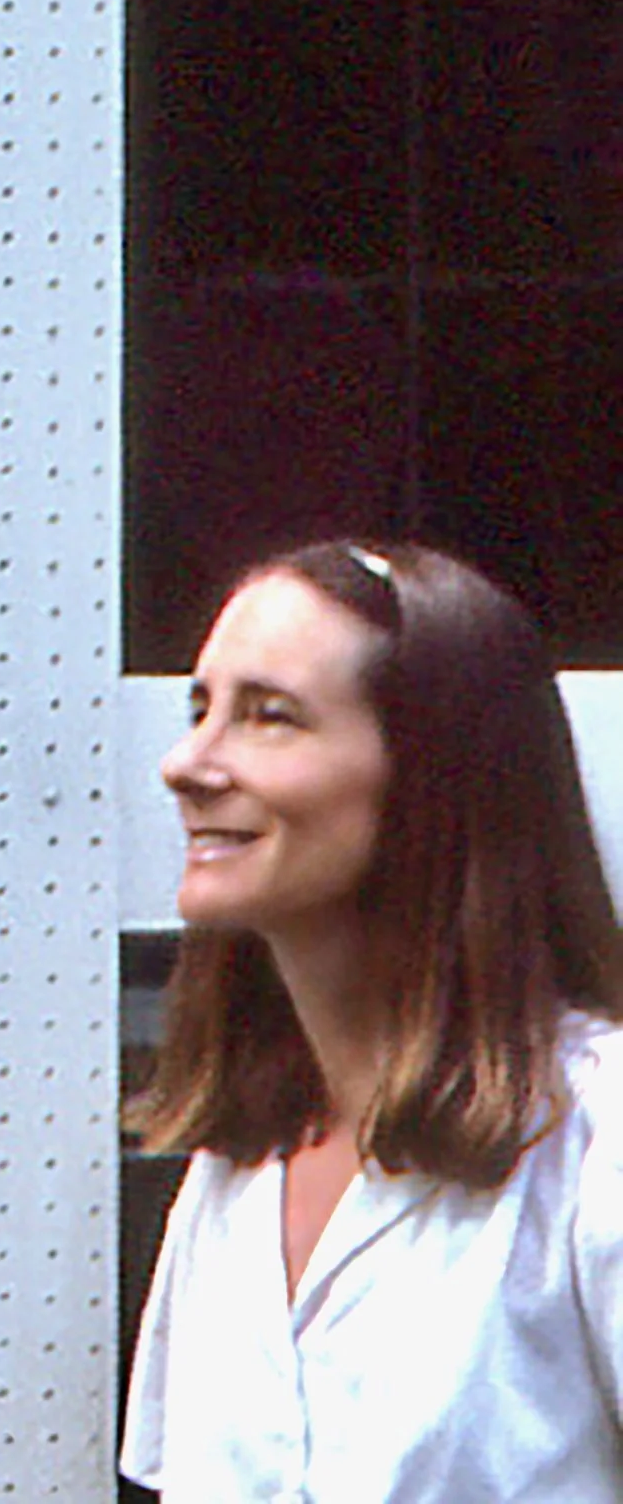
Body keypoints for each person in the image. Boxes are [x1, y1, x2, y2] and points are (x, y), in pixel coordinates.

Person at [122, 539, 623, 1500]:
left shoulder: (592, 1145)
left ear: (432, 777)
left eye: (268, 718)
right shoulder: (236, 1168)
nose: (188, 763)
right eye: (200, 710)